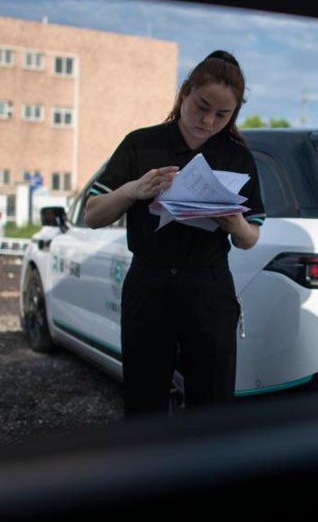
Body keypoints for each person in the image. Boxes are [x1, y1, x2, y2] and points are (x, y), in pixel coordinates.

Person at [84, 50, 265, 417]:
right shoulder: (140, 143)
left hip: (208, 288)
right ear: (184, 93)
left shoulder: (236, 157)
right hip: (149, 284)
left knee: (212, 401)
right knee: (144, 398)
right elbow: (92, 215)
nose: (209, 120)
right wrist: (132, 190)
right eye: (202, 106)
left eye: (222, 114)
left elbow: (250, 238)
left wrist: (235, 223)